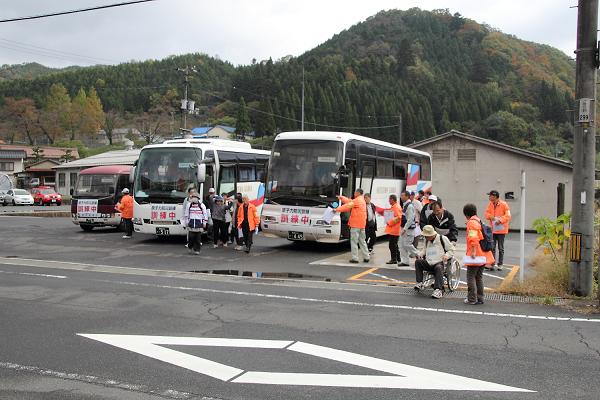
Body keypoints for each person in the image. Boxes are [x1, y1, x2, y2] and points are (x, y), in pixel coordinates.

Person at [463, 203, 495, 305]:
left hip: (476, 253)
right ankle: (480, 298)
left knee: (471, 276)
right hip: (483, 254)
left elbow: (473, 238)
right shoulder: (479, 221)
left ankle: (472, 299)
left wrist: (473, 251)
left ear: (466, 214)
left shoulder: (471, 223)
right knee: (479, 277)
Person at [413, 225, 455, 299]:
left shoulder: (442, 238)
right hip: (429, 262)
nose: (426, 237)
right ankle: (419, 282)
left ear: (432, 234)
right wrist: (420, 254)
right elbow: (424, 250)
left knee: (438, 267)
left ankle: (438, 289)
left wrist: (447, 255)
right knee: (418, 262)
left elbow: (451, 250)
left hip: (439, 262)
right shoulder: (427, 240)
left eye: (427, 236)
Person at [335, 188, 370, 264]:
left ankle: (355, 258)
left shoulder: (357, 201)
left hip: (355, 225)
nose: (354, 193)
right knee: (362, 241)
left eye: (355, 192)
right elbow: (349, 201)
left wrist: (337, 209)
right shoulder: (362, 200)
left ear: (357, 193)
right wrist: (342, 198)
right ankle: (366, 256)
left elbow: (347, 206)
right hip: (362, 225)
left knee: (354, 241)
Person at [484, 190, 511, 271]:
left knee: (500, 248)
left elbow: (508, 215)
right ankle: (492, 264)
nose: (489, 197)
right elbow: (486, 214)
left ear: (495, 196)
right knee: (492, 247)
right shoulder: (490, 204)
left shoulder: (504, 204)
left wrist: (500, 220)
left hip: (501, 230)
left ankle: (500, 264)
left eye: (490, 195)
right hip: (493, 229)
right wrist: (490, 217)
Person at [398, 190, 418, 266]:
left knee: (407, 245)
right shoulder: (405, 205)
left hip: (408, 230)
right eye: (401, 195)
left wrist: (404, 229)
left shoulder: (409, 206)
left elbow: (410, 219)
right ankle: (405, 261)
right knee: (401, 245)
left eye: (403, 195)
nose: (401, 197)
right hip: (404, 228)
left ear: (407, 196)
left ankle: (419, 255)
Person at [384, 194, 402, 265]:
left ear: (392, 199)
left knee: (392, 245)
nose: (388, 201)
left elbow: (398, 217)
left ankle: (394, 259)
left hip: (394, 230)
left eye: (389, 199)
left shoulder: (396, 207)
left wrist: (390, 222)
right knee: (394, 245)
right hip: (394, 229)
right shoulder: (395, 206)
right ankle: (398, 258)